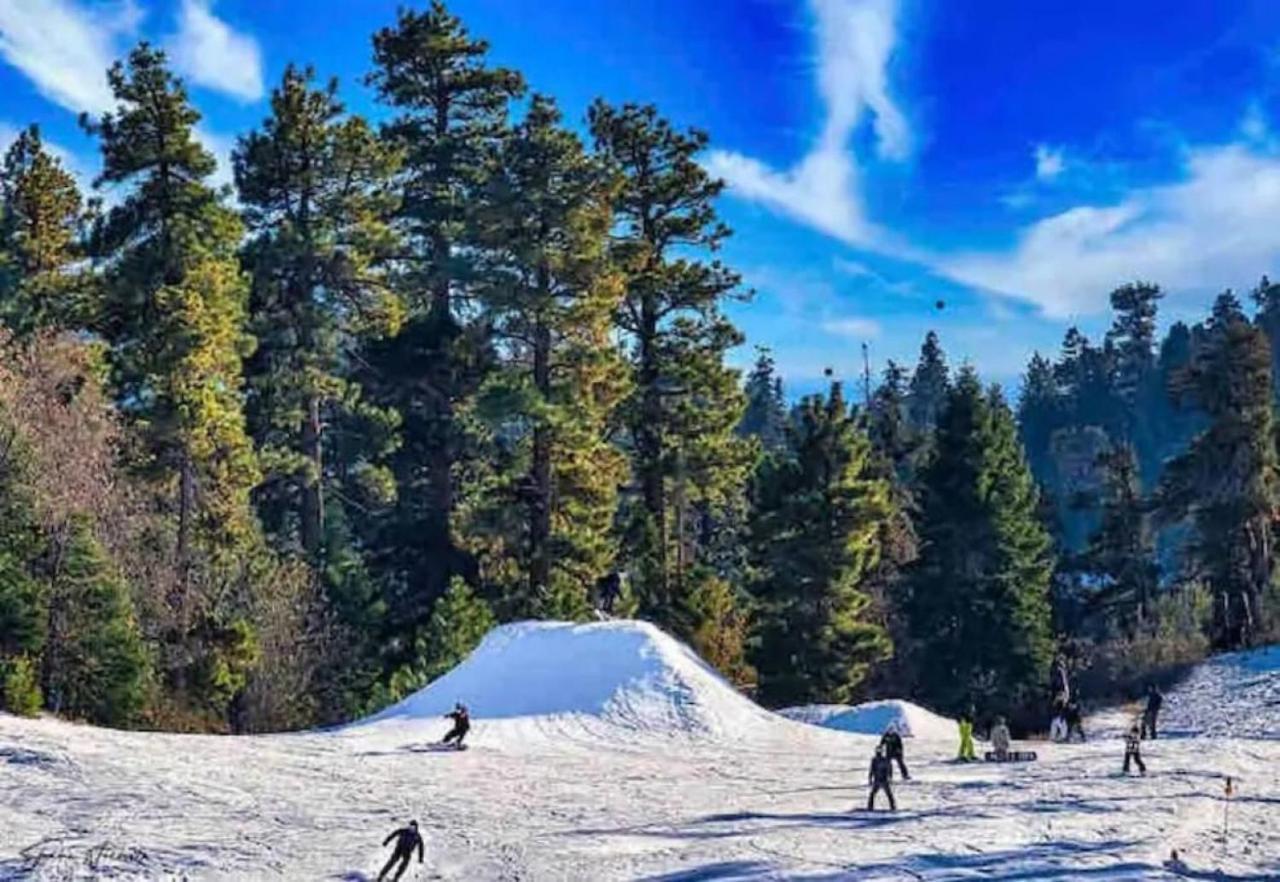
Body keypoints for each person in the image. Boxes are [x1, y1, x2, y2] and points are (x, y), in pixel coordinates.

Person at [867, 745, 896, 811]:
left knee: (888, 794)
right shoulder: (874, 760)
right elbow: (872, 769)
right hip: (877, 779)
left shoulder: (885, 760)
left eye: (879, 751)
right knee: (873, 794)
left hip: (883, 779)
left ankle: (893, 807)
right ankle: (870, 807)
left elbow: (889, 769)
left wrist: (890, 777)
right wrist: (870, 778)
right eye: (877, 750)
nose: (878, 752)